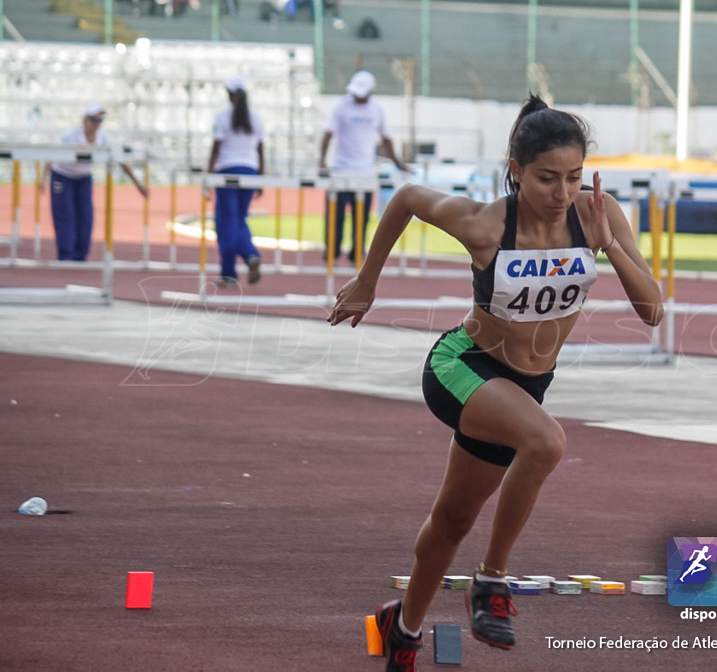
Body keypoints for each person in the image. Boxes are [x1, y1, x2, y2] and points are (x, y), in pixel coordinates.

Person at [328, 94, 663, 671]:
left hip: (524, 390)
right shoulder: (486, 224)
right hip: (463, 368)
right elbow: (407, 197)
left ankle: (401, 629)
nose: (562, 194)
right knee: (547, 441)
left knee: (453, 520)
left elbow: (653, 311)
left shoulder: (596, 218)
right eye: (546, 179)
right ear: (516, 171)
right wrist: (366, 280)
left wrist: (608, 247)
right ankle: (491, 582)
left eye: (574, 178)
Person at [318, 70, 409, 264]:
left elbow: (386, 138)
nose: (357, 98)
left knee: (361, 218)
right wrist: (321, 160)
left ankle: (357, 253)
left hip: (365, 172)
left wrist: (398, 163)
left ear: (370, 92)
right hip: (340, 169)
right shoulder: (341, 106)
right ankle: (332, 251)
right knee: (335, 215)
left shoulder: (377, 109)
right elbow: (328, 133)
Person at [40, 103, 148, 261]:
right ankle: (66, 255)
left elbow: (121, 160)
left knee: (86, 216)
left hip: (83, 178)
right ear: (85, 120)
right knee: (65, 215)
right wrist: (43, 179)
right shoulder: (71, 135)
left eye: (100, 120)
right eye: (93, 119)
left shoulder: (103, 138)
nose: (96, 124)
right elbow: (52, 156)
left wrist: (138, 184)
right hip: (62, 176)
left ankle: (80, 255)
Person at [207, 75, 265, 288]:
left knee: (226, 224)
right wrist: (261, 178)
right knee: (239, 220)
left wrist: (207, 176)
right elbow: (261, 150)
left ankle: (229, 273)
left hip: (227, 172)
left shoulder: (222, 117)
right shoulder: (256, 118)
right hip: (250, 171)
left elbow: (216, 149)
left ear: (229, 95)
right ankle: (250, 256)